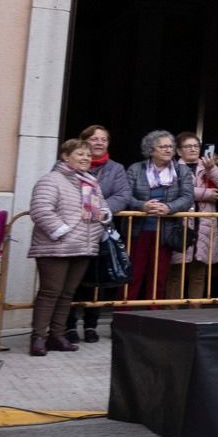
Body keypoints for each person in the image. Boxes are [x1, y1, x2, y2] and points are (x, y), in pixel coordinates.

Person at [26, 139, 110, 355]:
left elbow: (102, 207)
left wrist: (103, 217)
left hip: (83, 245)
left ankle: (57, 335)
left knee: (67, 293)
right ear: (65, 156)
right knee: (50, 292)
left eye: (88, 155)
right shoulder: (51, 180)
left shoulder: (91, 182)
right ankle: (38, 338)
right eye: (80, 154)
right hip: (56, 246)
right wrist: (63, 231)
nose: (85, 158)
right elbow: (41, 210)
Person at [66, 124, 132, 343]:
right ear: (84, 141)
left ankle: (91, 325)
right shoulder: (71, 166)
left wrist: (101, 209)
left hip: (101, 230)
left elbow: (123, 195)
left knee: (96, 280)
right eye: (94, 139)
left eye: (103, 140)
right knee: (72, 281)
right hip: (74, 229)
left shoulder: (116, 169)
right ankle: (68, 326)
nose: (99, 143)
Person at [125, 130, 195, 302]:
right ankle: (123, 311)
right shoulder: (136, 169)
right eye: (163, 147)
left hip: (166, 231)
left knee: (158, 276)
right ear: (151, 150)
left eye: (170, 146)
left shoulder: (182, 171)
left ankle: (154, 314)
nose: (168, 150)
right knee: (133, 274)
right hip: (138, 230)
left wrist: (168, 207)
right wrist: (143, 205)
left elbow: (187, 197)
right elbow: (125, 196)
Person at [171, 132, 218, 301]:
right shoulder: (172, 168)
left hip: (204, 225)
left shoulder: (208, 167)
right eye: (188, 146)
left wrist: (212, 169)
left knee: (199, 273)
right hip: (181, 224)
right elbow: (176, 191)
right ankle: (170, 311)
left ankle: (194, 312)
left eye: (196, 146)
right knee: (176, 272)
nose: (193, 149)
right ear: (179, 151)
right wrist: (206, 193)